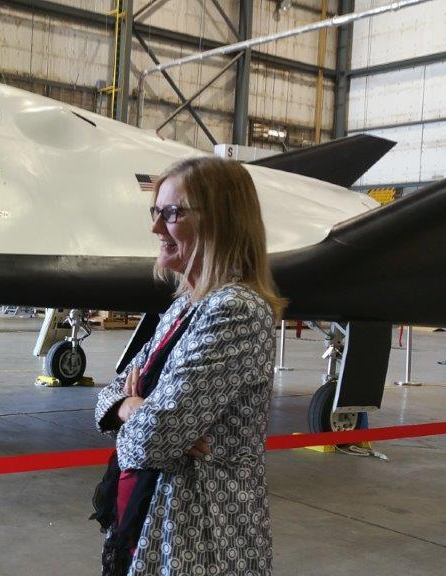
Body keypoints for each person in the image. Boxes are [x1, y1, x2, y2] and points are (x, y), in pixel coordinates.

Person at [95, 156, 285, 576]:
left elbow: (152, 441)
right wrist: (130, 407)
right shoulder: (186, 305)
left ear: (221, 221)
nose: (156, 228)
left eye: (172, 213)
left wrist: (141, 412)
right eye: (156, 212)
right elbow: (109, 395)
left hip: (199, 535)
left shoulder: (234, 310)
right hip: (149, 520)